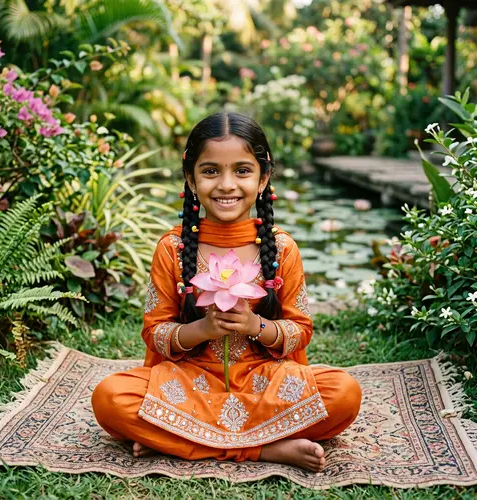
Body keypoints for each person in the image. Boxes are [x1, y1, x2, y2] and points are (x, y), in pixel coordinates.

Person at [91, 112, 362, 472]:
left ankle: (179, 438)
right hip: (189, 381)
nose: (226, 184)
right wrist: (201, 330)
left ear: (263, 178)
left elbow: (301, 330)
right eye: (210, 171)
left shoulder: (281, 249)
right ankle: (265, 448)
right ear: (191, 178)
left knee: (344, 393)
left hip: (265, 380)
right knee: (110, 398)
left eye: (242, 171)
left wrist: (255, 326)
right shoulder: (172, 248)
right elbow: (154, 333)